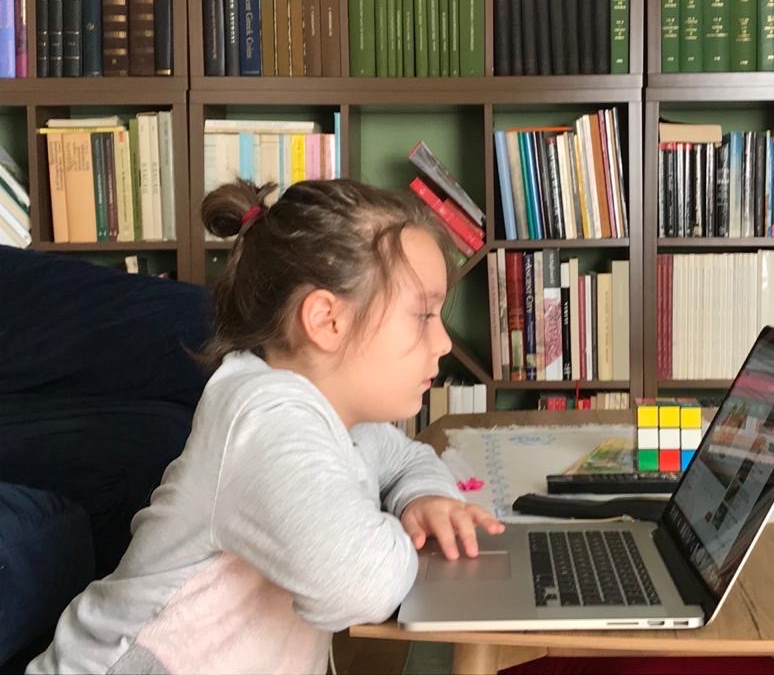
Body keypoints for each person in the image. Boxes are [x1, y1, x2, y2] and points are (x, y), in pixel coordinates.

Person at [28, 178, 503, 675]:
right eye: (423, 315)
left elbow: (406, 457)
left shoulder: (336, 414)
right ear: (327, 320)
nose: (443, 342)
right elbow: (359, 584)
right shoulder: (265, 418)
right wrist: (402, 530)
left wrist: (424, 498)